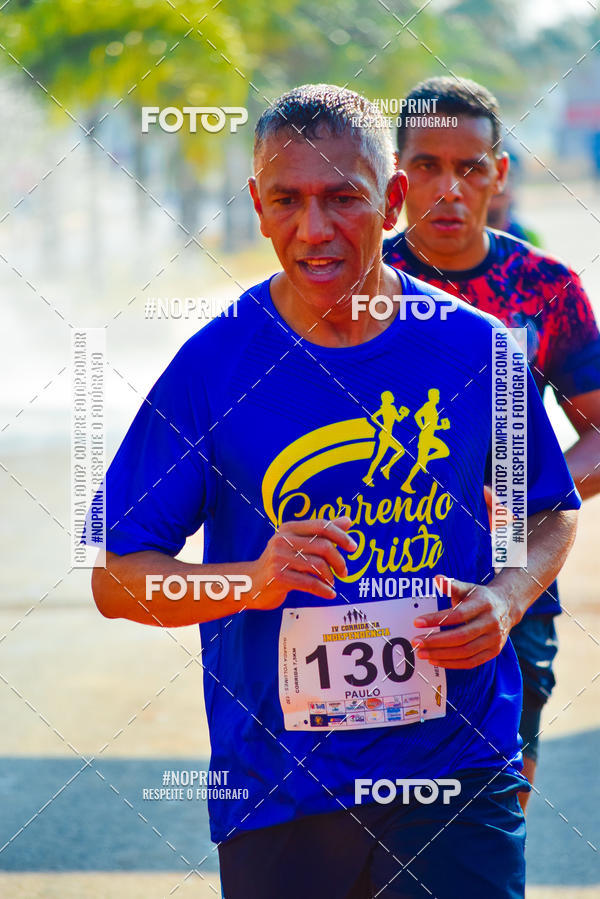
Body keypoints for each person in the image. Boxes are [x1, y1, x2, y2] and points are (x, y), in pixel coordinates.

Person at [90, 84, 580, 898]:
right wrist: (254, 581)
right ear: (257, 204)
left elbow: (550, 507)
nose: (313, 230)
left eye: (342, 198)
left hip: (454, 769)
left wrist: (509, 595)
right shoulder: (215, 367)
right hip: (279, 787)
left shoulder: (476, 351)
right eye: (287, 199)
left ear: (390, 202)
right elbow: (116, 578)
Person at [383, 76, 600, 810]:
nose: (449, 187)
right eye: (427, 165)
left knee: (496, 800)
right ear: (395, 175)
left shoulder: (545, 288)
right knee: (367, 811)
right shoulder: (349, 284)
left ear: (498, 173)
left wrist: (517, 494)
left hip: (515, 586)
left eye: (470, 166)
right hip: (371, 592)